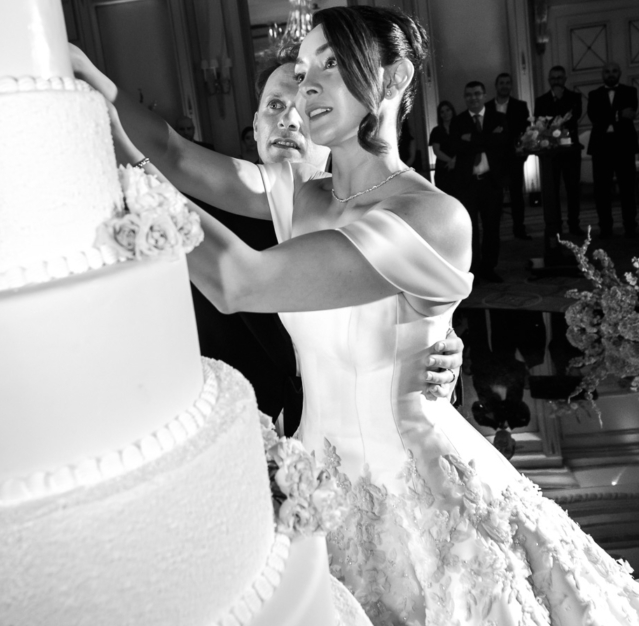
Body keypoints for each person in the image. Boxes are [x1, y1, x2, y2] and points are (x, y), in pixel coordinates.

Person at [79, 5, 639, 626]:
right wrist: (80, 91)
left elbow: (237, 280)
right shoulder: (303, 192)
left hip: (422, 498)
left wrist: (139, 199)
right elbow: (176, 155)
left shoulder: (433, 217)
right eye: (302, 65)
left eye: (330, 66)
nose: (306, 85)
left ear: (392, 83)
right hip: (321, 496)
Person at [71, 41, 464, 416]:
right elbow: (169, 151)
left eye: (307, 107)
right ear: (255, 126)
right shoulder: (188, 211)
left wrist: (439, 344)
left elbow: (418, 320)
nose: (289, 119)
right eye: (275, 106)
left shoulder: (391, 214)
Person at [450, 81, 506, 282]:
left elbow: (502, 144)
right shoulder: (458, 122)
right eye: (469, 95)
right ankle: (472, 270)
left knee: (492, 228)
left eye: (477, 94)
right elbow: (456, 147)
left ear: (484, 95)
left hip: (491, 183)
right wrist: (487, 139)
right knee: (469, 230)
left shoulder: (498, 118)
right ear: (465, 98)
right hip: (468, 184)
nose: (473, 98)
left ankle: (489, 268)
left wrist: (472, 139)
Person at [586, 62, 638, 238]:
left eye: (614, 71)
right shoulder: (594, 94)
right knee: (601, 189)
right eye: (607, 71)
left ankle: (630, 226)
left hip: (624, 145)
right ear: (602, 74)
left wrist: (608, 116)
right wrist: (618, 115)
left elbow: (631, 113)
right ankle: (605, 227)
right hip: (601, 145)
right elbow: (594, 117)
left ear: (620, 73)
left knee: (628, 188)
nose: (610, 74)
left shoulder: (630, 92)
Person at [534, 64, 584, 236]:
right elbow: (542, 124)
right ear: (549, 80)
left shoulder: (575, 97)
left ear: (565, 79)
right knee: (552, 190)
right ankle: (555, 226)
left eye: (559, 78)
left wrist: (561, 99)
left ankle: (574, 224)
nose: (556, 81)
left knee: (572, 190)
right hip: (550, 153)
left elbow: (571, 120)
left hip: (570, 150)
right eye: (553, 78)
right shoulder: (541, 101)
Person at [486, 71, 531, 239]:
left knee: (517, 196)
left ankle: (519, 229)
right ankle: (494, 233)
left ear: (511, 86)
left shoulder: (521, 106)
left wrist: (523, 152)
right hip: (494, 160)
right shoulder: (488, 107)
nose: (504, 86)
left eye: (507, 83)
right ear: (496, 86)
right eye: (501, 83)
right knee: (494, 198)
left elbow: (525, 131)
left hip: (514, 158)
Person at [428, 100, 457, 195]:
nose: (445, 113)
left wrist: (455, 161)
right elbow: (436, 151)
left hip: (460, 166)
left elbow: (465, 147)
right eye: (442, 112)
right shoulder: (436, 131)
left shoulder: (461, 127)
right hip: (443, 169)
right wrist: (450, 161)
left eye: (448, 110)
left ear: (452, 110)